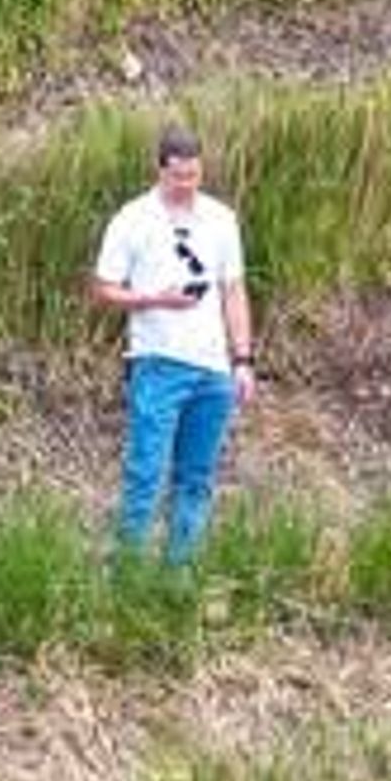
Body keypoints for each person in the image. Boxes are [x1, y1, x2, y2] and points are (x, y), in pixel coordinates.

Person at [90, 123, 254, 560]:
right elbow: (103, 288)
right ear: (160, 170)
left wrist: (242, 359)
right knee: (146, 471)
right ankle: (128, 573)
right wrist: (152, 299)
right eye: (179, 176)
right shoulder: (132, 219)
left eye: (194, 176)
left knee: (196, 477)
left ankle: (179, 575)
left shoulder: (220, 219)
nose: (187, 185)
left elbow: (233, 291)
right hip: (157, 362)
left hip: (213, 368)